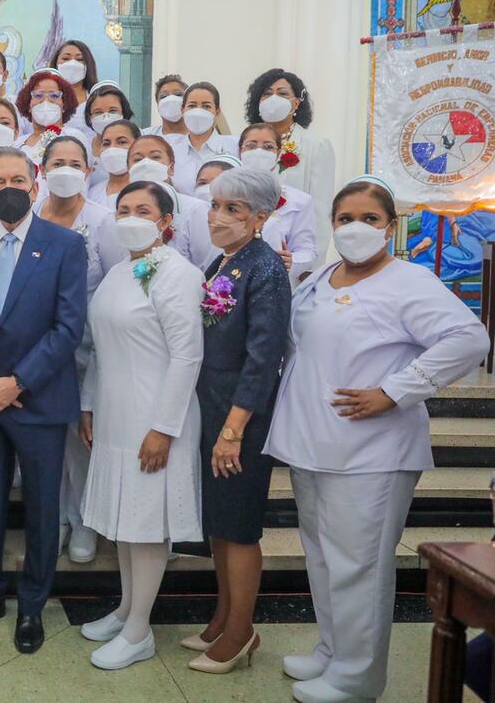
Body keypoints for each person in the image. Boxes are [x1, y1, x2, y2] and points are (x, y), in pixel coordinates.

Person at [265, 177, 488, 703]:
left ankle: (358, 675)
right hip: (312, 443)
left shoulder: (407, 281)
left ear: (391, 226)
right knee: (321, 557)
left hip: (372, 451)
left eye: (369, 219)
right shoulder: (320, 277)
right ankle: (332, 649)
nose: (355, 229)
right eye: (345, 219)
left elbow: (468, 338)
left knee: (359, 565)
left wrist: (394, 390)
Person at [0, 146, 87, 654]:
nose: (9, 187)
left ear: (36, 185)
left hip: (39, 400)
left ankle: (33, 603)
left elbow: (68, 327)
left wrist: (18, 382)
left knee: (42, 507)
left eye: (18, 179)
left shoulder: (65, 245)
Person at [79, 180, 204, 671]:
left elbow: (187, 354)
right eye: (123, 208)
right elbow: (98, 347)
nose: (131, 216)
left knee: (147, 525)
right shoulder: (118, 272)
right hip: (114, 413)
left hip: (155, 416)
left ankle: (139, 633)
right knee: (124, 522)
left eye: (143, 210)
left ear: (166, 222)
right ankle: (127, 608)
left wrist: (163, 427)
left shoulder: (178, 274)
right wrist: (88, 404)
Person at [184, 167, 290, 675]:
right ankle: (223, 618)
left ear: (261, 218)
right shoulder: (225, 261)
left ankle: (242, 633)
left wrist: (233, 429)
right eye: (215, 205)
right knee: (220, 524)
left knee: (241, 528)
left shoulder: (265, 267)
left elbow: (263, 356)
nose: (218, 217)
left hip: (240, 417)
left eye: (234, 210)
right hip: (214, 406)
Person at [35, 135, 112, 564]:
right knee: (47, 442)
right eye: (56, 162)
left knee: (81, 438)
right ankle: (54, 521)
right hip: (38, 349)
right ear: (43, 170)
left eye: (74, 162)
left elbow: (116, 281)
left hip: (85, 346)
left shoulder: (102, 222)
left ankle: (82, 521)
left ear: (87, 170)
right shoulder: (29, 216)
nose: (65, 169)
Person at [244, 68, 336, 259]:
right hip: (245, 240)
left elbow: (320, 208)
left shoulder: (315, 145)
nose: (273, 98)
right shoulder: (245, 142)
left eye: (282, 93)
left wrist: (310, 262)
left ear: (296, 103)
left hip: (291, 250)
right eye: (267, 93)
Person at [218, 124, 320, 285]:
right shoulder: (221, 195)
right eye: (251, 146)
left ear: (278, 153)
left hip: (274, 282)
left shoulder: (299, 201)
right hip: (226, 280)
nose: (259, 151)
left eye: (268, 147)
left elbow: (308, 250)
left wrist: (291, 260)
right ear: (240, 151)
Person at [119, 134, 217, 270]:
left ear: (171, 167)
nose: (146, 163)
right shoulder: (121, 210)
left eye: (155, 157)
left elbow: (210, 264)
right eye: (138, 159)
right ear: (128, 169)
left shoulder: (195, 210)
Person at [169, 82, 239, 196]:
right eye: (192, 106)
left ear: (217, 112)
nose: (198, 111)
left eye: (206, 106)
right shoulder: (171, 150)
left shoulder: (235, 145)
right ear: (182, 110)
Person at [14, 69, 79, 165]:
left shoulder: (74, 137)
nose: (46, 101)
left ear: (64, 104)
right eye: (38, 95)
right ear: (28, 105)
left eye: (54, 95)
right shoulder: (17, 144)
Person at [49, 40, 101, 137]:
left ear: (88, 65)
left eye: (80, 59)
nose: (72, 63)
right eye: (66, 58)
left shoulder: (96, 100)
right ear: (56, 63)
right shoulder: (45, 99)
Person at [89, 119, 140, 209]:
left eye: (122, 142)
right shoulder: (92, 194)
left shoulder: (151, 190)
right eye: (106, 143)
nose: (112, 149)